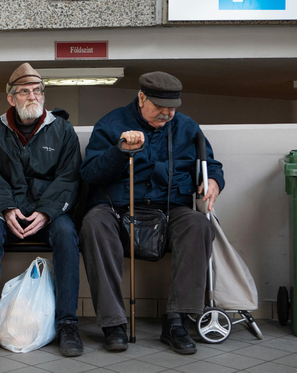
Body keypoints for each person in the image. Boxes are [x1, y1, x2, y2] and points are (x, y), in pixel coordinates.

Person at [79, 71, 224, 355]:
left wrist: (215, 181)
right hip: (118, 209)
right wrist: (119, 151)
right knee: (93, 224)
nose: (167, 114)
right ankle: (113, 324)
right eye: (160, 108)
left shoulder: (188, 127)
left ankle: (177, 320)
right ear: (142, 97)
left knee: (198, 226)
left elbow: (210, 163)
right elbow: (90, 173)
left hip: (171, 209)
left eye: (172, 109)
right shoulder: (111, 124)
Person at [0, 63, 84, 357]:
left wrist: (46, 212)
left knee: (67, 233)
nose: (33, 97)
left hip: (49, 213)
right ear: (11, 98)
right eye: (25, 92)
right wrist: (6, 210)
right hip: (8, 213)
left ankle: (67, 322)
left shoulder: (63, 131)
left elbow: (69, 178)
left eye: (37, 91)